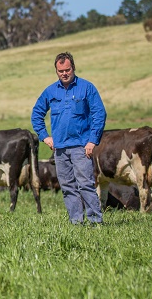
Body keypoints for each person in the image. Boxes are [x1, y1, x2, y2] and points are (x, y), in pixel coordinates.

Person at [31, 52, 107, 225]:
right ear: (56, 71)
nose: (64, 73)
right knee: (67, 187)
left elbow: (99, 114)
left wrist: (92, 140)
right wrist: (45, 137)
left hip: (81, 146)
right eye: (60, 71)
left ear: (73, 68)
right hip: (60, 149)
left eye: (67, 69)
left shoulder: (87, 88)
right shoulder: (50, 91)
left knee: (85, 185)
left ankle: (96, 222)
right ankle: (76, 222)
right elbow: (36, 114)